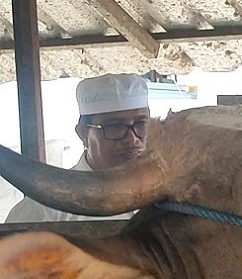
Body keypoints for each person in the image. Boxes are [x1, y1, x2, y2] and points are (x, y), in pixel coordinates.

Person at [5, 73, 149, 223]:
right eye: (114, 126)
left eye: (141, 123)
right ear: (83, 133)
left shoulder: (164, 199)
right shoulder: (46, 209)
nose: (132, 138)